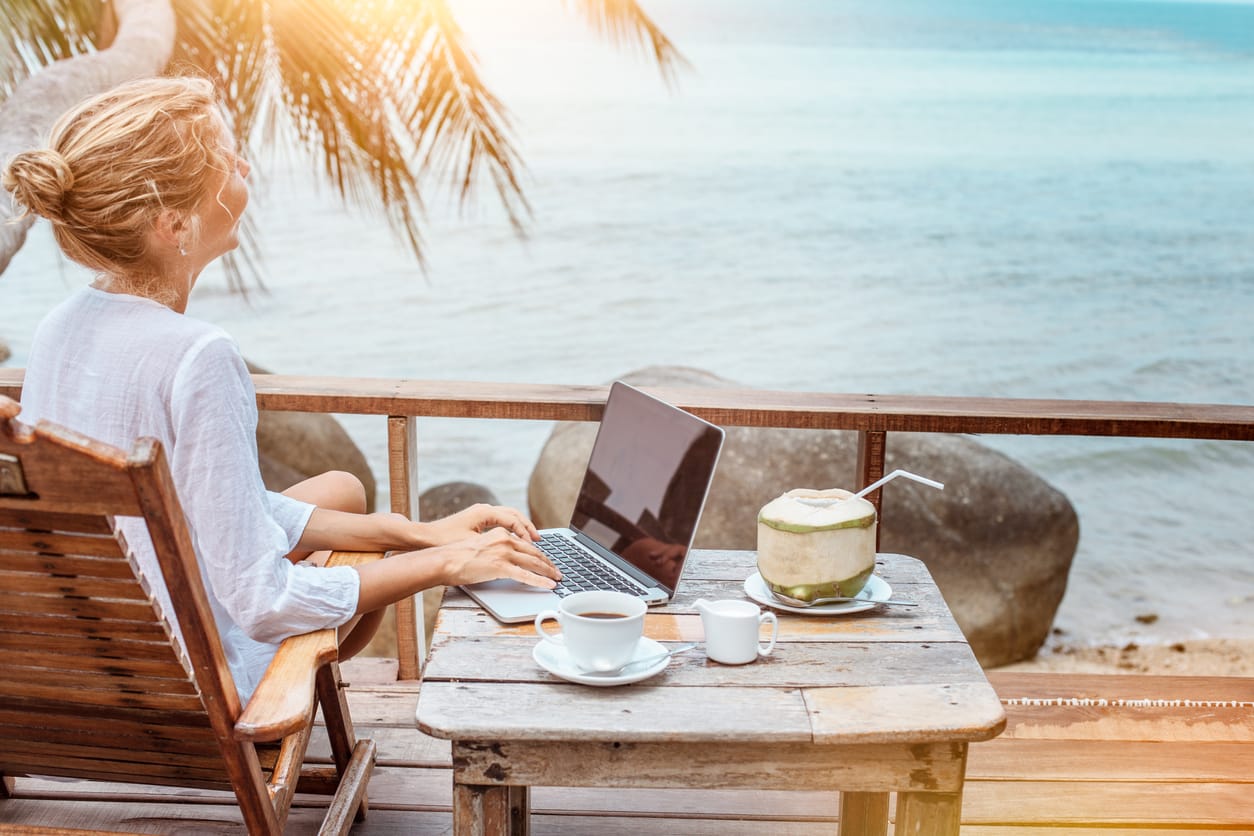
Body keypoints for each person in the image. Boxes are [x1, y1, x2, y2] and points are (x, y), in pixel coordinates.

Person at [1, 76, 560, 700]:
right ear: (173, 223)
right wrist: (446, 564)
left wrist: (417, 532)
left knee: (345, 491)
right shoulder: (198, 357)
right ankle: (296, 699)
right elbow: (262, 602)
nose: (243, 166)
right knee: (355, 556)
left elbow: (209, 506)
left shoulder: (61, 327)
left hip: (88, 669)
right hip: (199, 688)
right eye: (225, 158)